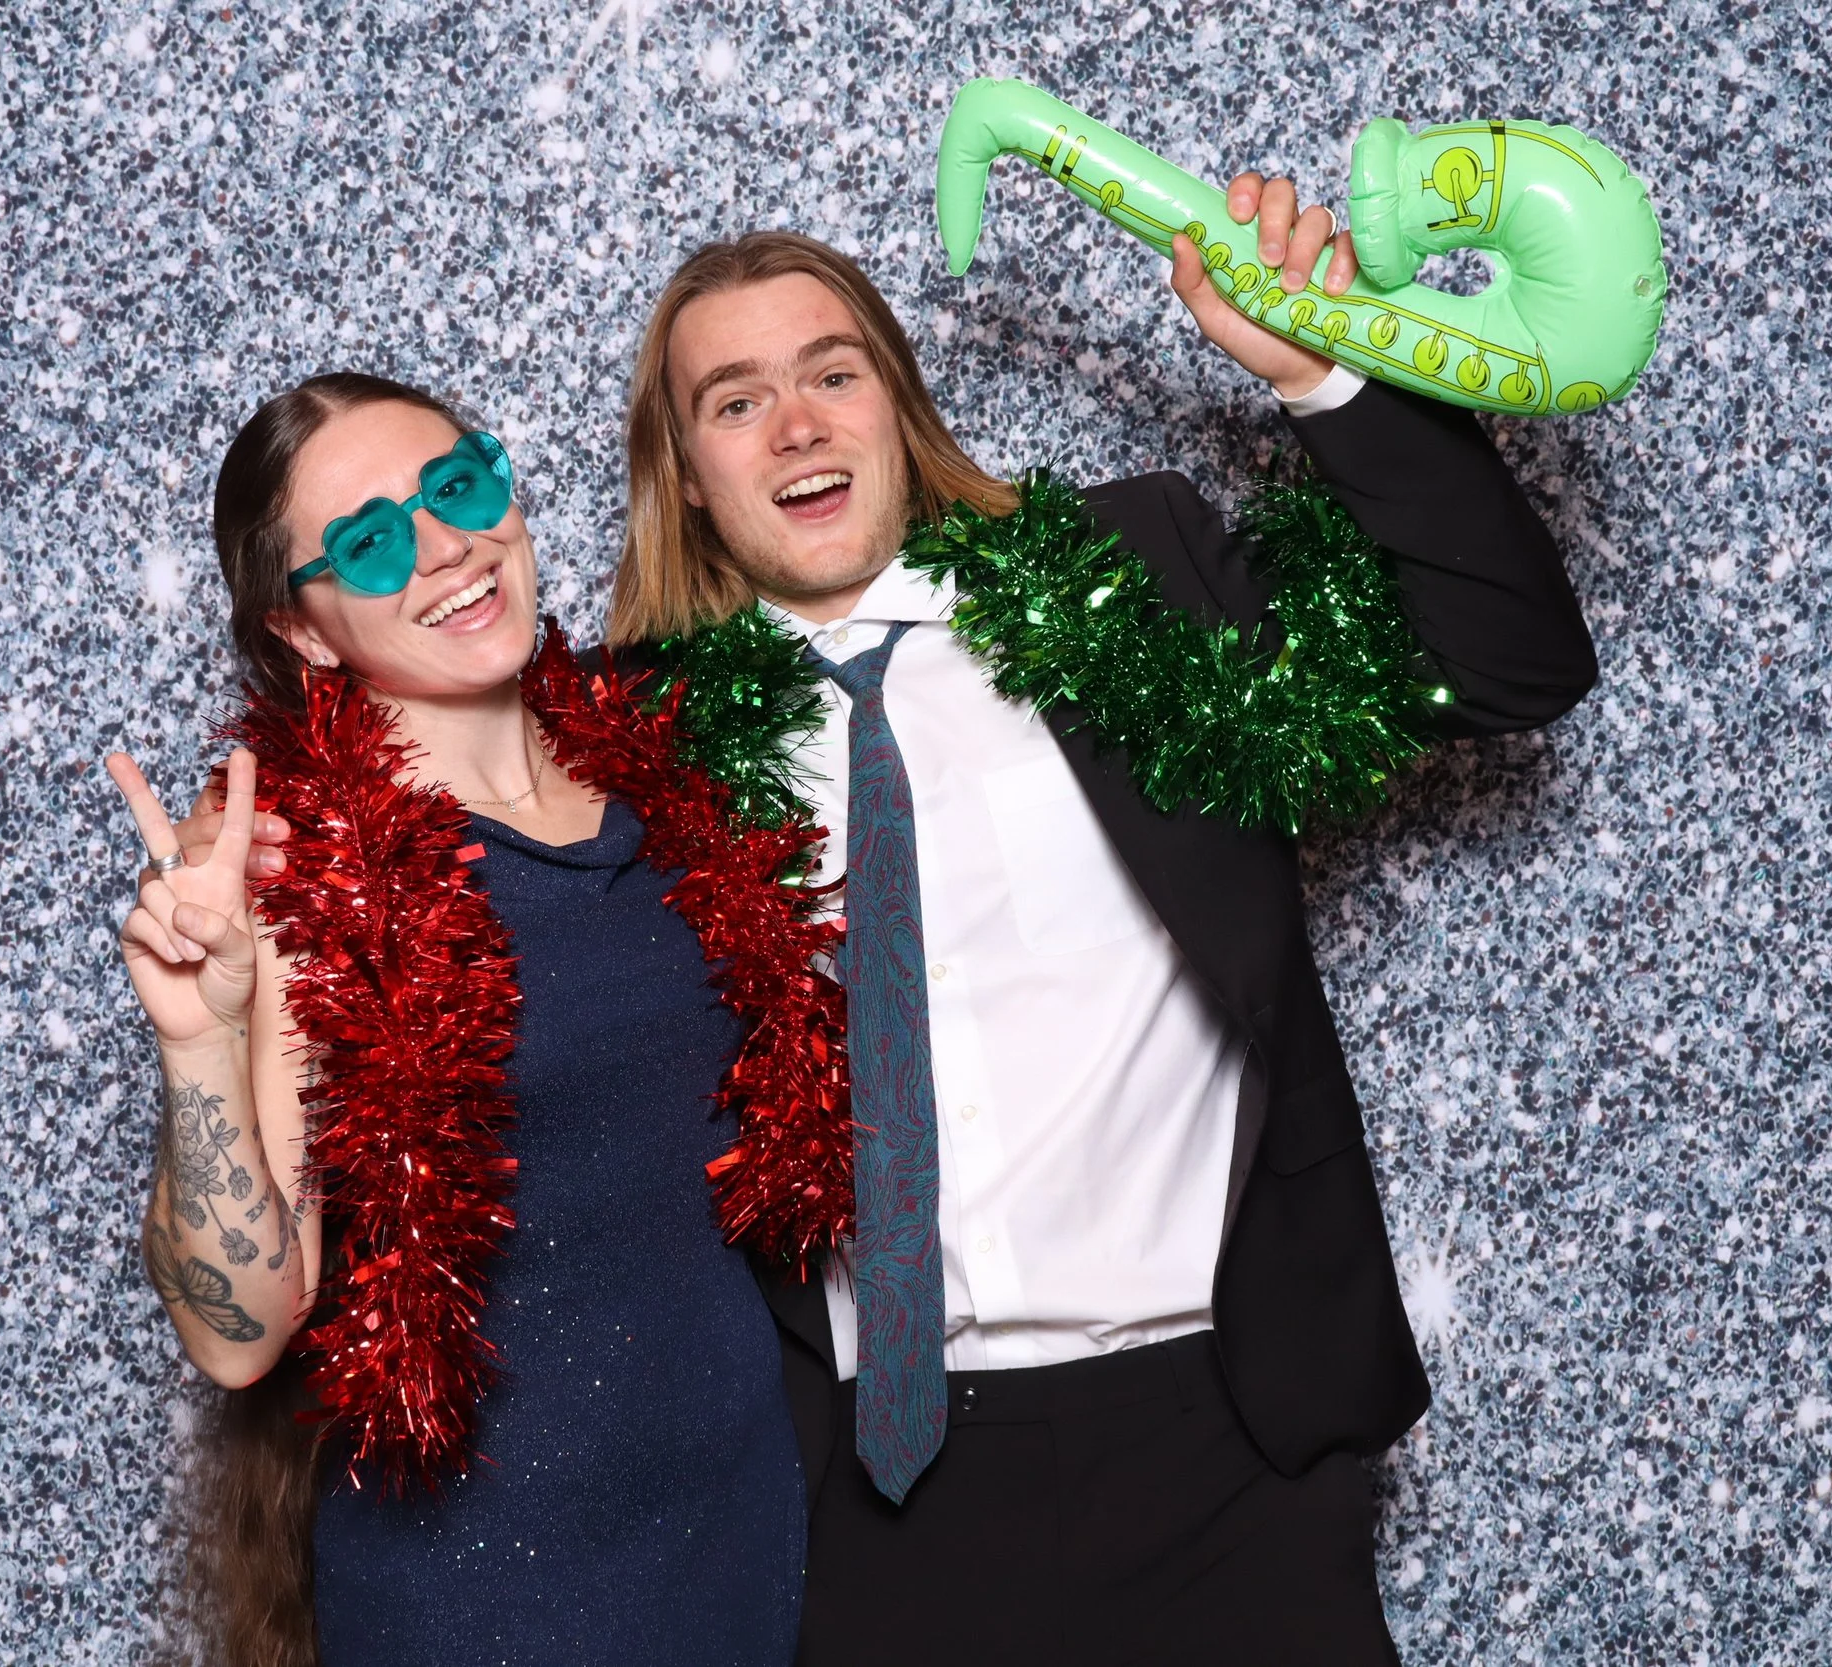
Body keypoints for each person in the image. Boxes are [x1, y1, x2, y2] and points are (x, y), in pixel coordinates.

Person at [590, 185, 1599, 1661]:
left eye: (832, 374)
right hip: (865, 1496)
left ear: (897, 407)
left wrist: (1321, 371)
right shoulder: (629, 746)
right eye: (736, 403)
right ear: (685, 474)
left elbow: (1508, 659)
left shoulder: (1130, 584)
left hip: (1222, 1447)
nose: (796, 426)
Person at [105, 373, 819, 1667]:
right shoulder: (296, 868)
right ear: (305, 631)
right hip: (486, 1598)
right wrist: (199, 1037)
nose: (445, 545)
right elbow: (239, 1332)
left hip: (746, 1540)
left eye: (458, 487)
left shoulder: (665, 767)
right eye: (373, 541)